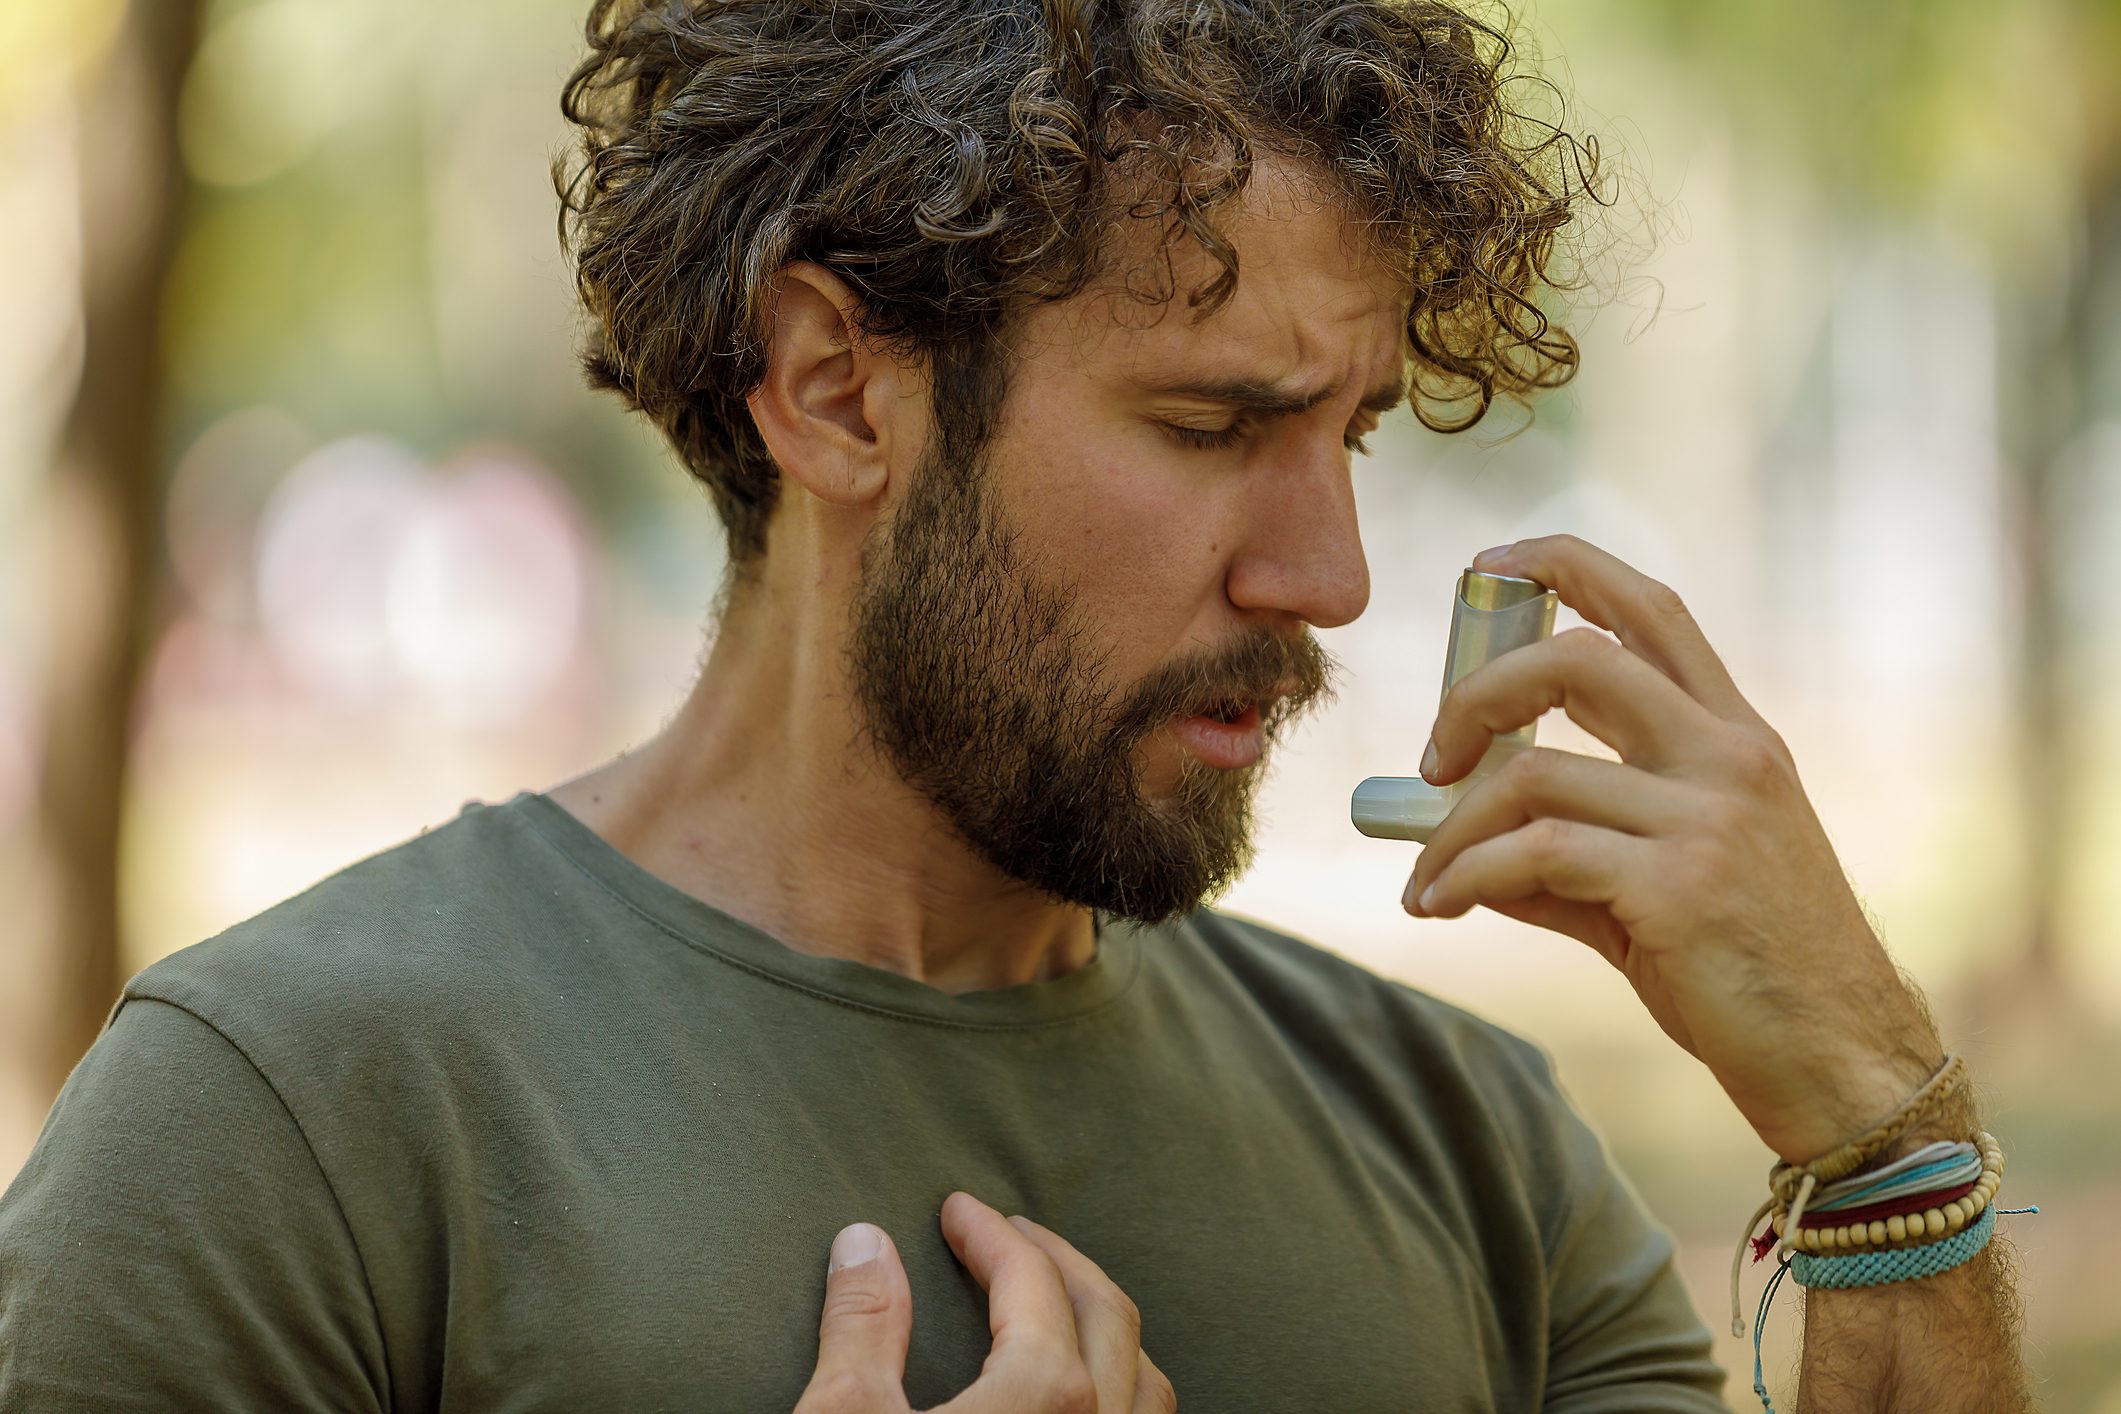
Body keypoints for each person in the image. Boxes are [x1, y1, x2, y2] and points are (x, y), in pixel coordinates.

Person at [0, 1, 2032, 1410]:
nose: (1321, 574)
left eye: (1350, 432)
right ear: (830, 385)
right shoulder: (289, 1126)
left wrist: (1874, 1138)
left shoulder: (1469, 1149)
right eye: (1212, 421)